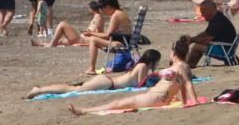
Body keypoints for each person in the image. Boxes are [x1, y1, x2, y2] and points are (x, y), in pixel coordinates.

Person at [69, 37, 198, 115]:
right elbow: (182, 85)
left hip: (155, 98)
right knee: (118, 103)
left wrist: (195, 102)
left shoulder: (182, 66)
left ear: (174, 53)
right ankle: (85, 110)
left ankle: (84, 110)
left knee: (117, 103)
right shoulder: (178, 66)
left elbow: (187, 84)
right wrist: (185, 102)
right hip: (153, 96)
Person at [28, 48, 162, 98]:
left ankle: (40, 89)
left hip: (107, 81)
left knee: (74, 88)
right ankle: (39, 90)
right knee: (73, 90)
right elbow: (141, 85)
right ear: (153, 60)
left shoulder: (140, 65)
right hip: (107, 83)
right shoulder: (144, 66)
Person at [81, 0, 132, 74]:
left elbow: (108, 35)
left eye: (102, 9)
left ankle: (91, 68)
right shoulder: (120, 13)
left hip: (121, 44)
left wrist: (91, 34)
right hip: (126, 42)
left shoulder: (115, 16)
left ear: (108, 6)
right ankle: (91, 68)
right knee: (94, 39)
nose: (102, 12)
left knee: (93, 40)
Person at [31, 0, 104, 47]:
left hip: (82, 39)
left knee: (63, 24)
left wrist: (84, 44)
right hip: (81, 38)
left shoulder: (98, 18)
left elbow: (97, 35)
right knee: (60, 41)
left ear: (91, 9)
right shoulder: (96, 17)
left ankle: (51, 45)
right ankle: (41, 44)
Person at [186, 0, 237, 67]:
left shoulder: (217, 21)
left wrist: (192, 40)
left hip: (224, 51)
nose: (202, 15)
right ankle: (190, 65)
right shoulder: (218, 17)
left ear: (209, 10)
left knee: (197, 47)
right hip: (227, 48)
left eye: (203, 12)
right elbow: (205, 33)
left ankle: (189, 65)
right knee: (197, 44)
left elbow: (207, 40)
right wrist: (192, 39)